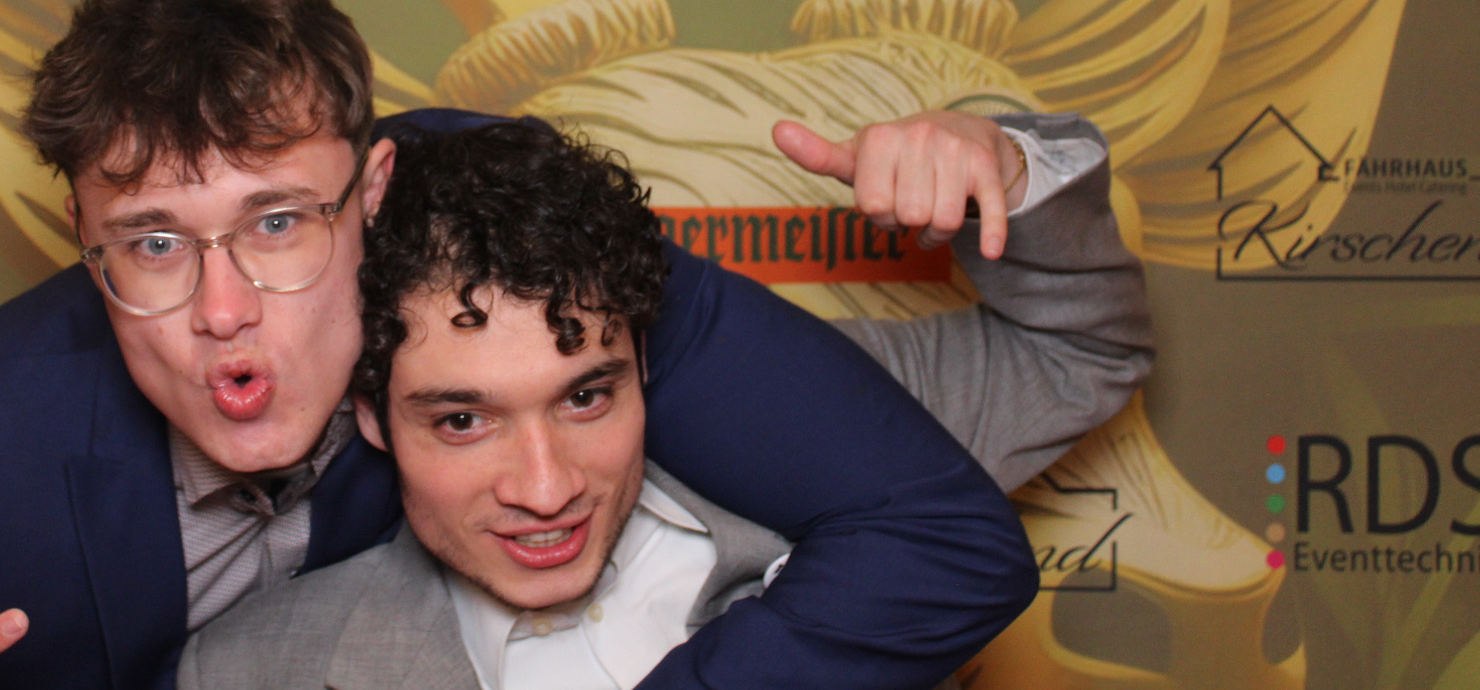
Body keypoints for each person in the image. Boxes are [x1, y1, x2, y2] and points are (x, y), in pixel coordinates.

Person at [0, 0, 1146, 690]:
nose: (227, 316)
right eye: (152, 244)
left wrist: (1008, 155)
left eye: (280, 222)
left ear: (377, 188)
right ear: (81, 245)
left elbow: (960, 479)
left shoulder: (518, 256)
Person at [171, 121, 994, 689]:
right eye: (463, 420)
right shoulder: (246, 670)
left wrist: (1008, 162)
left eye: (586, 397)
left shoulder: (857, 532)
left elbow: (1064, 354)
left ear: (647, 363)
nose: (545, 488)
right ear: (373, 415)